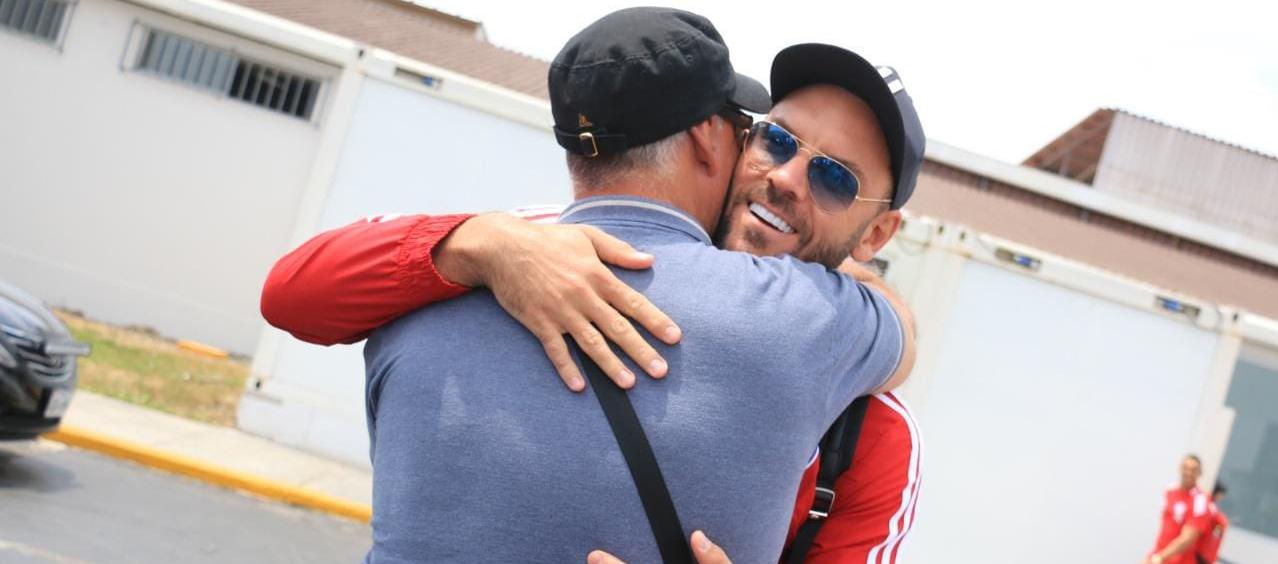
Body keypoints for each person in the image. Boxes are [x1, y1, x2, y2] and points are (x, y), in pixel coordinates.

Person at [267, 9, 921, 563]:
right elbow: (293, 292)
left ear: (876, 236)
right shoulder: (507, 250)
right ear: (717, 142)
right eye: (775, 139)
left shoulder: (870, 433)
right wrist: (478, 245)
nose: (785, 178)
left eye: (834, 177)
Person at [1146, 454, 1212, 564]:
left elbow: (1188, 538)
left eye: (1193, 470)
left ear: (1199, 473)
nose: (1188, 473)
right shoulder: (1170, 491)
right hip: (1159, 555)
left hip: (1179, 560)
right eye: (1185, 468)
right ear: (1180, 468)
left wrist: (1159, 558)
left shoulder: (1200, 501)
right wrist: (1155, 556)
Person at [1194, 482, 1228, 564]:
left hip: (1203, 553)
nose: (1221, 498)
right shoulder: (1209, 505)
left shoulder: (1210, 505)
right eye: (1221, 495)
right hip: (1202, 552)